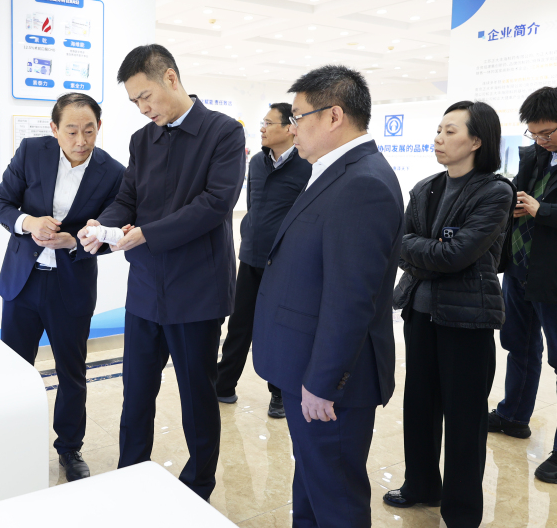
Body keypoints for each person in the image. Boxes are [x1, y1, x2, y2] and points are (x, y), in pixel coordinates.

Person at [78, 44, 245, 501]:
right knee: (136, 392)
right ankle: (130, 474)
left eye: (145, 96)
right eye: (134, 101)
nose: (142, 108)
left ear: (170, 77)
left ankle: (198, 486)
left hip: (197, 291)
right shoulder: (142, 140)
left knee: (196, 396)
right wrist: (102, 226)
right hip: (146, 289)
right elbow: (127, 199)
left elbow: (215, 204)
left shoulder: (223, 132)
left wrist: (147, 234)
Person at [251, 65, 404, 528]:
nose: (292, 127)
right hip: (306, 367)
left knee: (336, 497)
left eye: (298, 116)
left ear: (334, 115)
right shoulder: (333, 171)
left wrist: (322, 382)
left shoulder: (363, 183)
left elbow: (351, 299)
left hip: (330, 383)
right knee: (313, 488)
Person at [386, 101, 515, 527]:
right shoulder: (425, 187)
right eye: (439, 130)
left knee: (464, 419)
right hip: (420, 312)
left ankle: (461, 511)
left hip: (467, 318)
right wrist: (432, 254)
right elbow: (400, 244)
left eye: (450, 131)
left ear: (476, 140)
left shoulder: (495, 192)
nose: (438, 138)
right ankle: (421, 485)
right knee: (419, 407)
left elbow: (457, 254)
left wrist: (428, 254)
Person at [0, 93, 125, 482]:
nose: (81, 141)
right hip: (23, 281)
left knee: (72, 372)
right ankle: (11, 440)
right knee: (15, 369)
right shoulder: (32, 152)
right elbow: (1, 205)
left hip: (71, 284)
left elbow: (113, 233)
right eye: (71, 131)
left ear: (99, 127)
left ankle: (69, 448)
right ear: (54, 129)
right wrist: (29, 223)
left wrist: (75, 242)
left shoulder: (113, 172)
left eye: (89, 131)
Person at [216, 103, 311, 419]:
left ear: (289, 128)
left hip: (284, 263)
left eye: (269, 123)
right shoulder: (256, 162)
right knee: (239, 324)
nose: (262, 128)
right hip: (252, 256)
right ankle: (224, 384)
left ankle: (279, 394)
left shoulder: (306, 165)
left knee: (279, 330)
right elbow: (252, 205)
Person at [491, 86, 557, 483]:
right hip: (520, 268)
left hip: (553, 276)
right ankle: (513, 416)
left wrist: (540, 209)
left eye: (548, 132)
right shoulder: (534, 155)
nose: (541, 140)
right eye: (534, 133)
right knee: (519, 343)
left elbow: (541, 208)